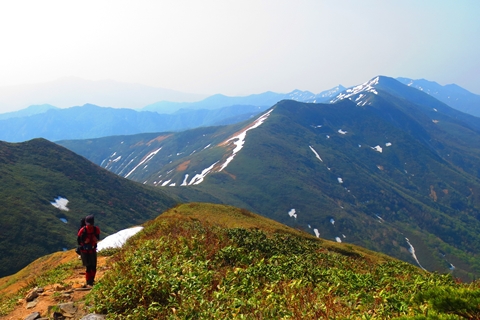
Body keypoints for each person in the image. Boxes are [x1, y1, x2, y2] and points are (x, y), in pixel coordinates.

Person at [77, 215, 100, 286]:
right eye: (88, 224)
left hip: (92, 250)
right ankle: (88, 281)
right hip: (84, 251)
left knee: (93, 266)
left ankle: (92, 280)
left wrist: (95, 240)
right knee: (88, 267)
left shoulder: (96, 229)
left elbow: (98, 238)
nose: (89, 226)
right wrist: (84, 242)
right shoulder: (82, 230)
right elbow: (78, 241)